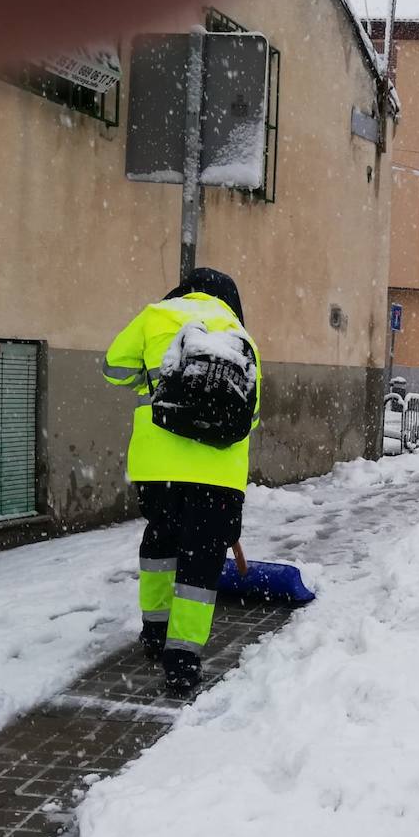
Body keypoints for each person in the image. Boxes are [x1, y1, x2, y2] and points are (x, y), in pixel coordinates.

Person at [102, 268, 261, 693]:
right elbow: (254, 415)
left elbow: (112, 369)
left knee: (160, 543)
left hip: (159, 469)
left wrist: (158, 385)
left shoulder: (155, 315)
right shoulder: (240, 335)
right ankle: (183, 660)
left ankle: (154, 632)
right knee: (202, 562)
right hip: (219, 476)